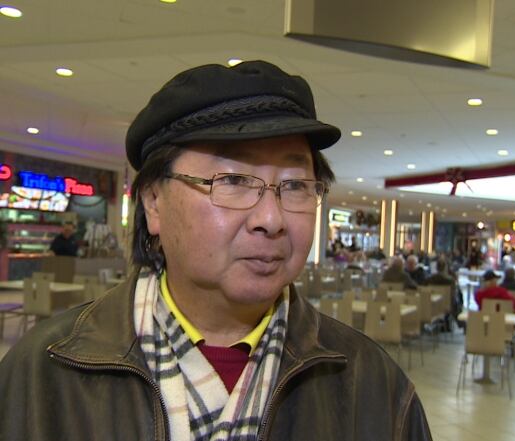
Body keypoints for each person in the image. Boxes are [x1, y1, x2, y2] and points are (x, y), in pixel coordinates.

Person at [0, 60, 431, 440]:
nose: (271, 218)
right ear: (153, 201)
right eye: (232, 180)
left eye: (296, 185)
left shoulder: (373, 386)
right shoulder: (43, 376)